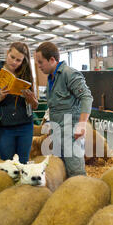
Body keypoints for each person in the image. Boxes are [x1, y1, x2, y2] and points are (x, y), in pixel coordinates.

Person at [35, 42, 93, 178]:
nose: (38, 66)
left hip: (72, 134)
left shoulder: (69, 74)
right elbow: (54, 107)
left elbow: (87, 97)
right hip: (57, 132)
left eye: (40, 62)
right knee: (61, 171)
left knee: (76, 172)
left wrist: (82, 124)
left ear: (52, 60)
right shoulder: (51, 78)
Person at [0, 42, 38, 163]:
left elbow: (35, 106)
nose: (14, 62)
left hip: (25, 126)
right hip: (4, 128)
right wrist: (0, 97)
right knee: (8, 163)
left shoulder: (26, 76)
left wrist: (32, 100)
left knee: (23, 163)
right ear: (7, 53)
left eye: (19, 60)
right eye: (12, 57)